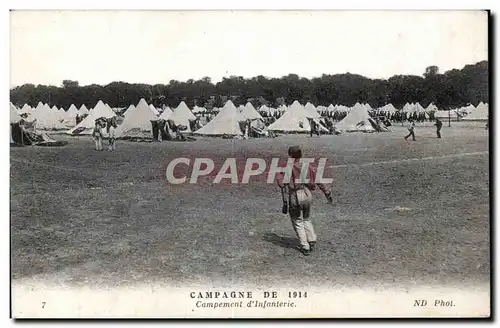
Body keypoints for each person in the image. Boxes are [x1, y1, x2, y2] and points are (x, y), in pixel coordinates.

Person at [276, 146, 333, 256]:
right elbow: (319, 181)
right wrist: (327, 193)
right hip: (307, 193)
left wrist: (285, 201)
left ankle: (304, 245)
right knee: (306, 217)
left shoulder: (288, 167)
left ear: (290, 155)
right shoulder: (308, 166)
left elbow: (282, 184)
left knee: (297, 220)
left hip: (295, 195)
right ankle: (312, 239)